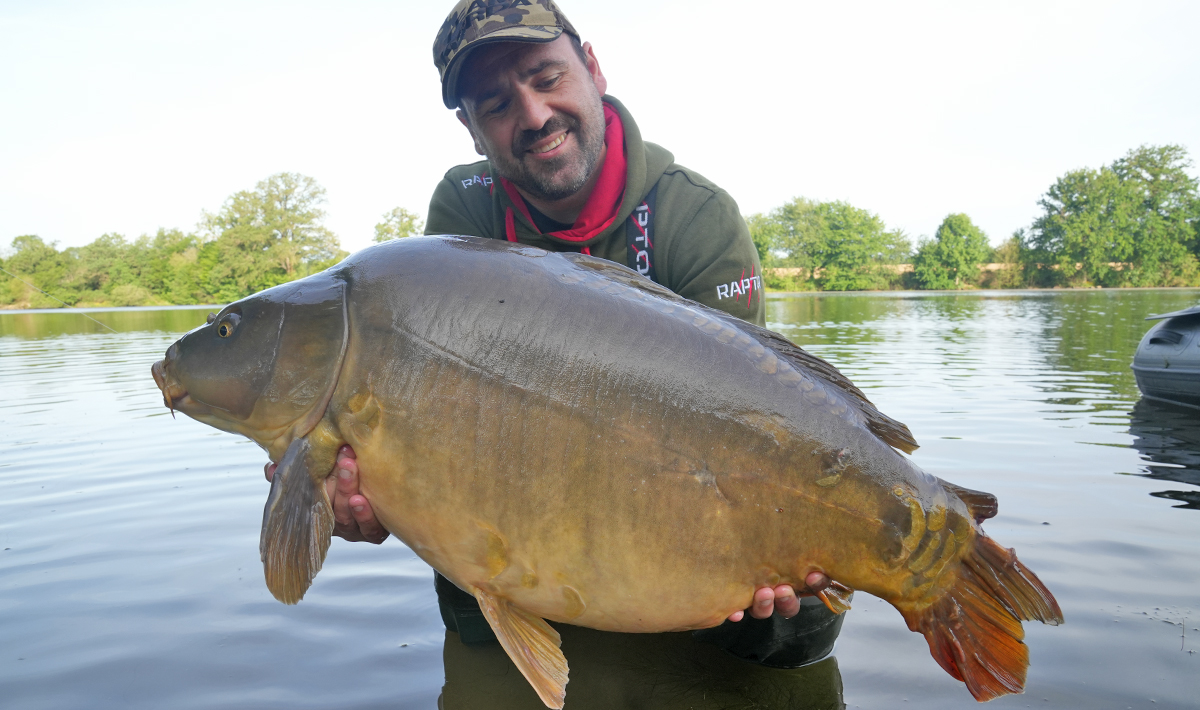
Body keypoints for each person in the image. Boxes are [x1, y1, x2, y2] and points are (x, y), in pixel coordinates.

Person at [266, 0, 842, 668]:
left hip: (676, 510)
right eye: (497, 104)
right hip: (532, 518)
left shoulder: (694, 216)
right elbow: (446, 426)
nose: (534, 116)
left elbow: (744, 422)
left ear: (593, 68)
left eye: (545, 78)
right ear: (472, 128)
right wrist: (380, 497)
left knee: (798, 618)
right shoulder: (463, 212)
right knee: (476, 588)